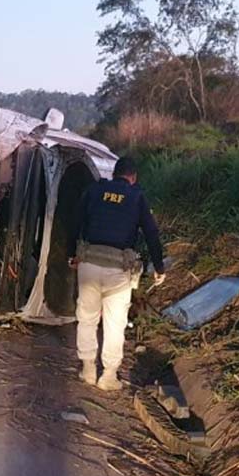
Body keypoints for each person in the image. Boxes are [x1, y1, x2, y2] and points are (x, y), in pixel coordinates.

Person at [67, 155, 165, 391]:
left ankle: (88, 368)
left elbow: (75, 222)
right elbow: (152, 234)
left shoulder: (94, 191)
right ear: (133, 178)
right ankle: (108, 375)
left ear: (114, 174)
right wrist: (159, 268)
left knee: (87, 318)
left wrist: (72, 255)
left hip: (89, 264)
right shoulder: (137, 197)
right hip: (119, 270)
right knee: (114, 323)